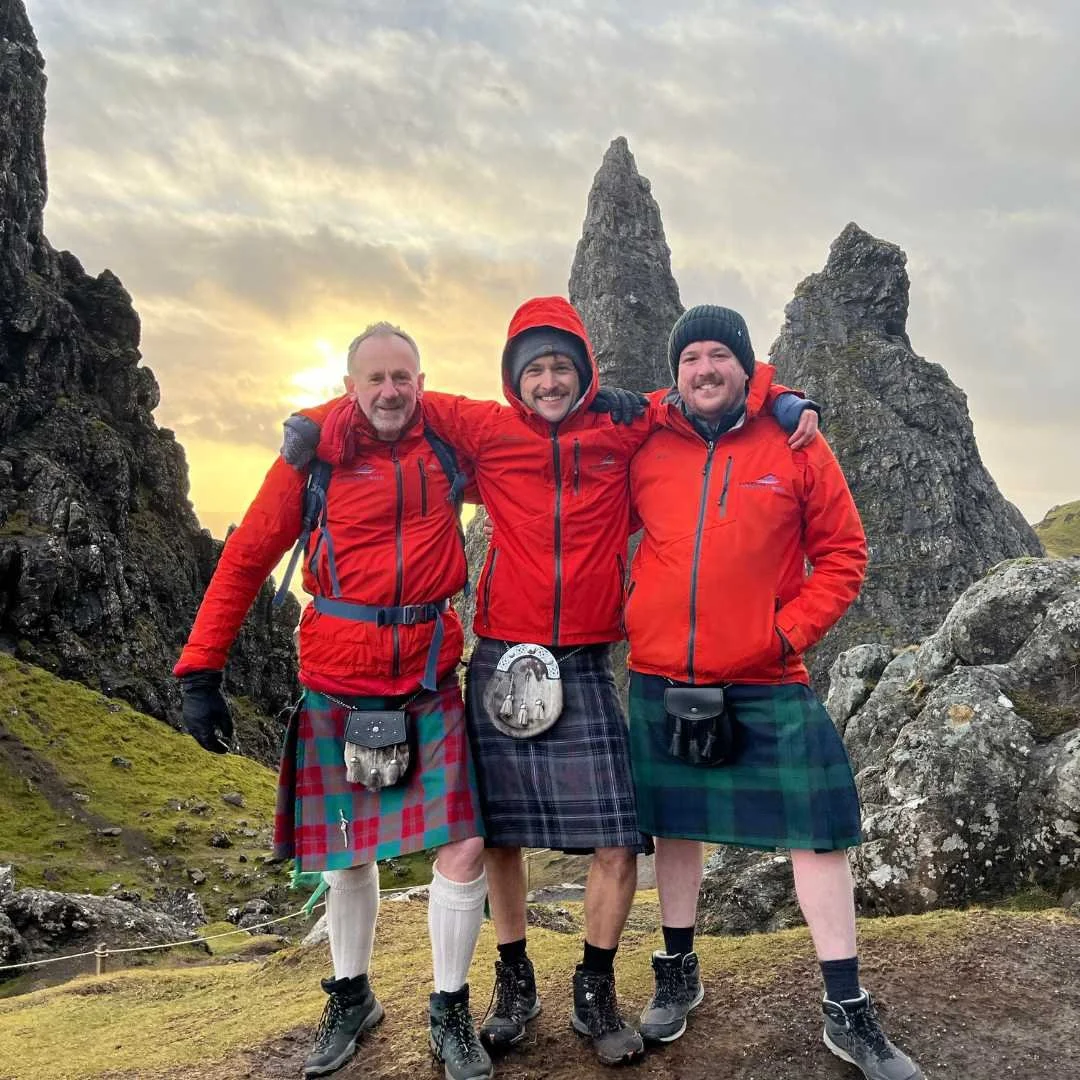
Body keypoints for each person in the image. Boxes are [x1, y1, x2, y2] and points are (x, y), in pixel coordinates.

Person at [417, 296, 818, 1066]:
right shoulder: (486, 429)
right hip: (503, 652)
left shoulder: (624, 426)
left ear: (584, 371)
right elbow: (387, 395)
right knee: (499, 836)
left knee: (616, 837)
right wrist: (313, 426)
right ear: (514, 378)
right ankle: (514, 980)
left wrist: (787, 397)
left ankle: (594, 988)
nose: (548, 380)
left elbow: (709, 392)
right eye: (533, 368)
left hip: (588, 658)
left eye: (561, 365)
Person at [174, 324, 493, 1080]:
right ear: (350, 385)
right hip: (337, 681)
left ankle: (449, 1009)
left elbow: (532, 447)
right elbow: (249, 554)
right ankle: (352, 995)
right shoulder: (310, 461)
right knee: (344, 856)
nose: (390, 391)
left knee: (464, 843)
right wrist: (200, 670)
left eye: (403, 378)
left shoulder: (446, 446)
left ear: (421, 382)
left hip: (427, 676)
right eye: (374, 378)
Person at [624, 304, 925, 1080]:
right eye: (690, 359)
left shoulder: (795, 442)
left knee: (819, 830)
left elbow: (845, 552)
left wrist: (785, 634)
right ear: (675, 374)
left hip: (766, 677)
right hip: (661, 675)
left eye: (719, 355)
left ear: (745, 365)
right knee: (673, 830)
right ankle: (678, 972)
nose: (704, 370)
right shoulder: (648, 442)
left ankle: (846, 1009)